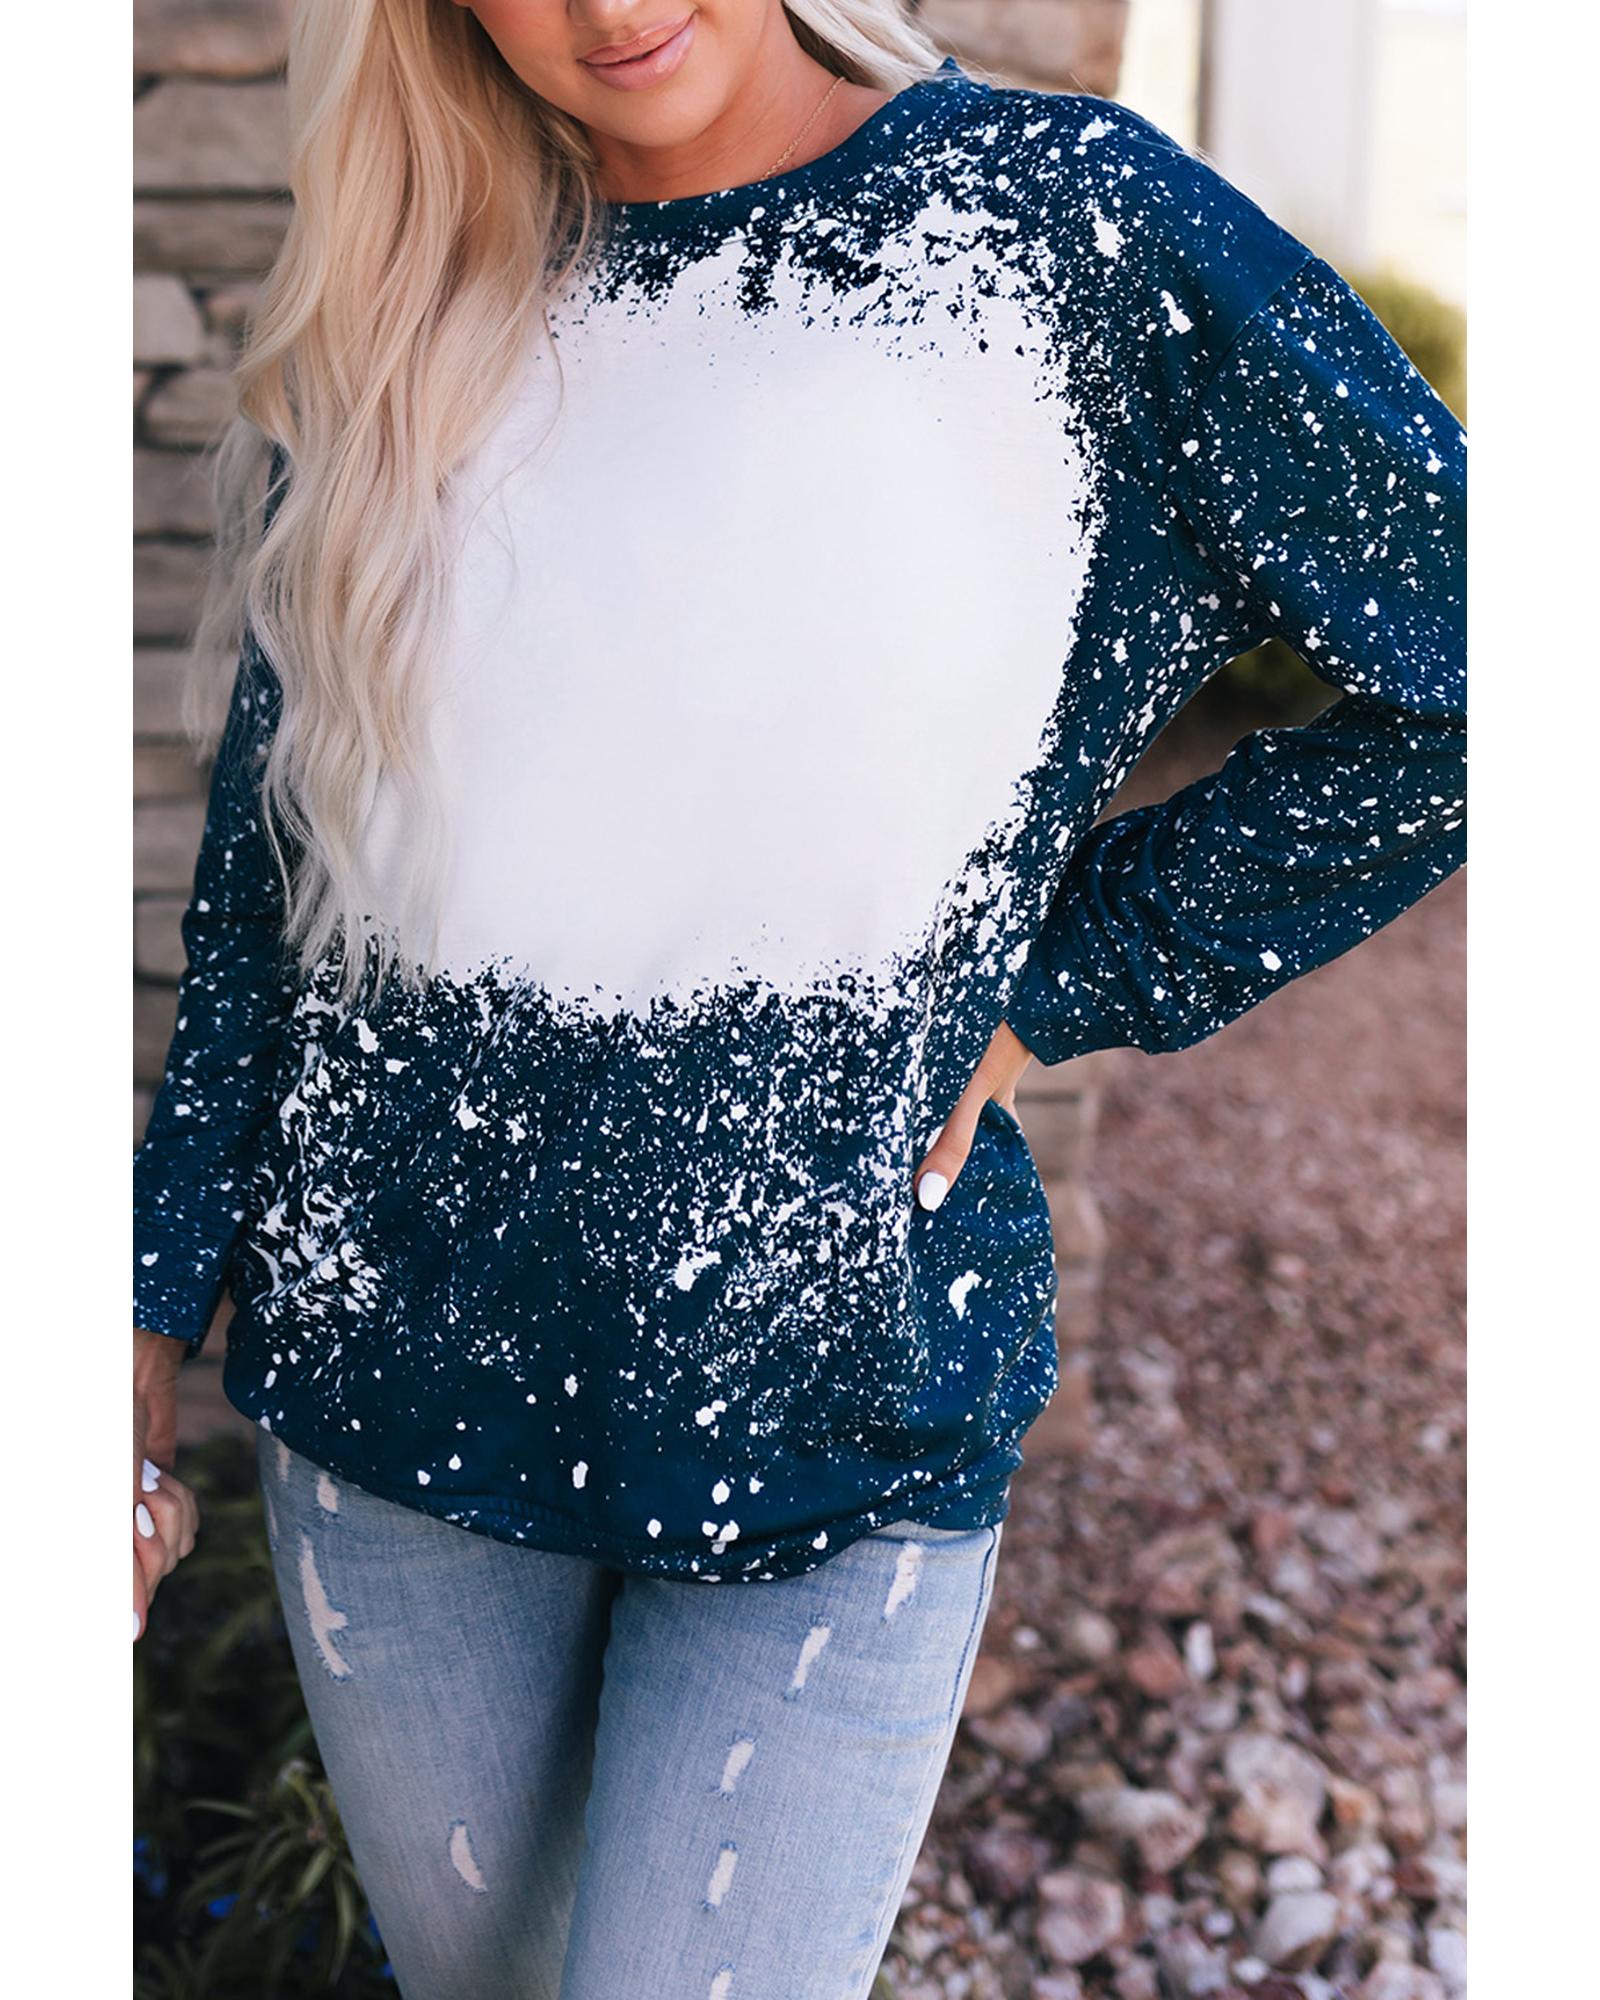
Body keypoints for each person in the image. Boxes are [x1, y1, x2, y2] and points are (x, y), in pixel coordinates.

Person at [131, 3, 1467, 1993]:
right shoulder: (412, 291)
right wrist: (139, 1311)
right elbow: (272, 894)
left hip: (839, 1406)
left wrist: (1061, 984)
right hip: (392, 1416)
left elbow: (1469, 673)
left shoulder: (1068, 237)